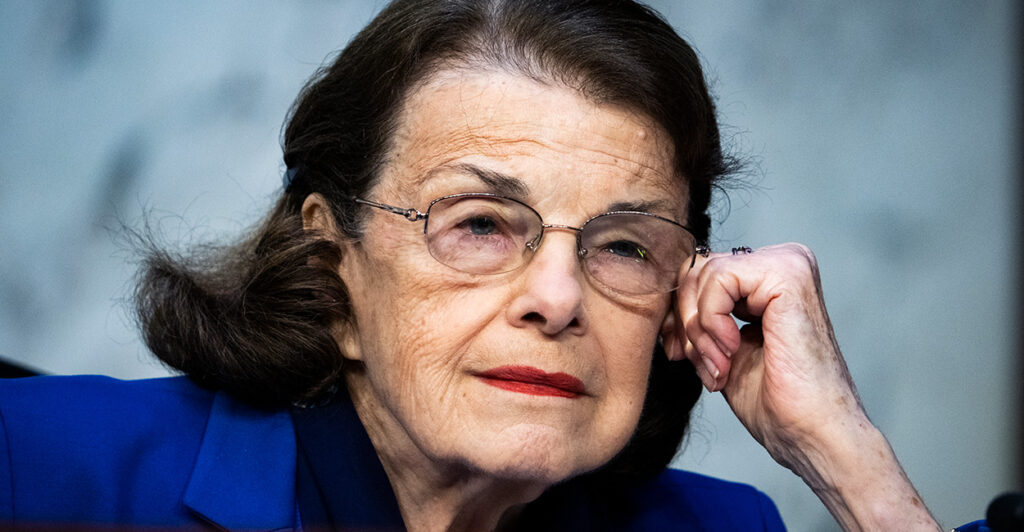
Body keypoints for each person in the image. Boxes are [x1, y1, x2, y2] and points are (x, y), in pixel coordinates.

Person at [0, 0, 977, 530]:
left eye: (624, 245)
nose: (556, 298)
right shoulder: (37, 470)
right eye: (479, 224)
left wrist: (848, 459)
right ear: (331, 259)